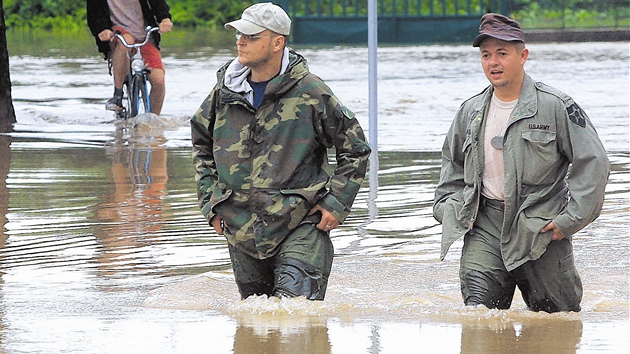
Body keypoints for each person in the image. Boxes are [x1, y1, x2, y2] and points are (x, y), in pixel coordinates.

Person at [190, 2, 370, 301]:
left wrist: (336, 203)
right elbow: (201, 144)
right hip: (241, 228)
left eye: (251, 36)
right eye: (238, 34)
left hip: (300, 224)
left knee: (296, 322)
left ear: (277, 42)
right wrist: (211, 202)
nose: (241, 41)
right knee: (255, 327)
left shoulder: (311, 92)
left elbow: (355, 149)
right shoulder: (224, 93)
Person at [433, 13, 609, 313]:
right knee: (478, 317)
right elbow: (453, 165)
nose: (493, 63)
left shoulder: (556, 106)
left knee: (557, 322)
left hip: (539, 228)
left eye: (502, 53)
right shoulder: (471, 110)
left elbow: (594, 164)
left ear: (523, 55)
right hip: (484, 224)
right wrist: (447, 207)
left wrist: (568, 221)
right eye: (486, 55)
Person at [87, 0, 173, 116]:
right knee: (127, 40)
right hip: (117, 35)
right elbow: (94, 13)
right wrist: (102, 29)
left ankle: (154, 121)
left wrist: (164, 19)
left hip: (144, 36)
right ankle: (118, 95)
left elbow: (157, 3)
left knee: (158, 79)